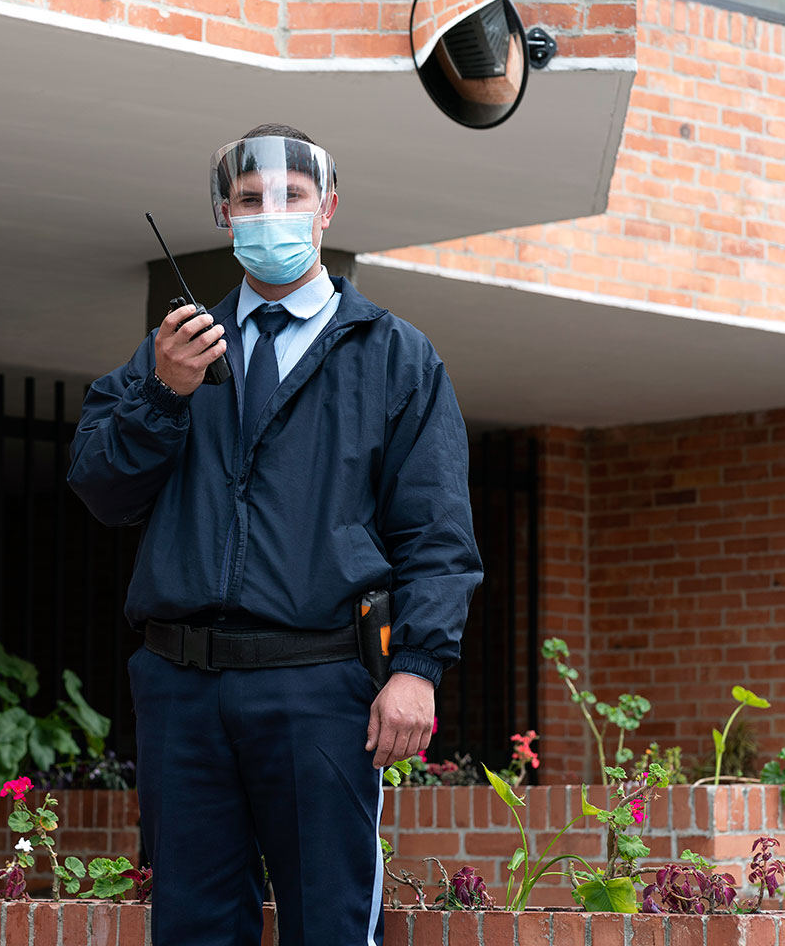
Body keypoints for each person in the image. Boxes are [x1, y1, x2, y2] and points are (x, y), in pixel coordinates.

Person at [67, 124, 482, 945]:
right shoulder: (175, 354)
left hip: (319, 686)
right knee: (191, 926)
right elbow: (100, 489)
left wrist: (419, 669)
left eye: (292, 197)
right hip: (182, 689)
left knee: (329, 923)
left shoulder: (396, 358)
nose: (272, 215)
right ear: (224, 214)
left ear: (327, 208)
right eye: (251, 199)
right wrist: (163, 396)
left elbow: (436, 530)